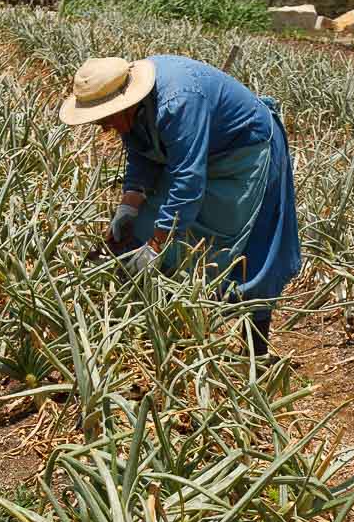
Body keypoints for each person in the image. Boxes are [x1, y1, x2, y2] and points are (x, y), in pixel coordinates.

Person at [59, 54, 301, 356]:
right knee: (150, 226)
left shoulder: (179, 102)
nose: (105, 129)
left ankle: (256, 350)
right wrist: (129, 207)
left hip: (245, 150)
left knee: (251, 247)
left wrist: (157, 245)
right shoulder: (133, 105)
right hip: (200, 154)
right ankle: (166, 332)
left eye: (106, 119)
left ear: (124, 103)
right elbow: (141, 153)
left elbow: (188, 180)